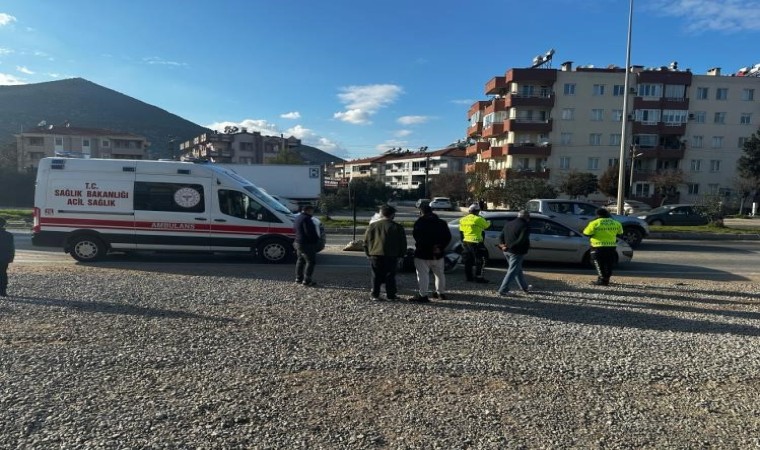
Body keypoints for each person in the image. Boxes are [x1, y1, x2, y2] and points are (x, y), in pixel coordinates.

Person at [363, 205, 407, 301]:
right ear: (392, 215)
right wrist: (401, 255)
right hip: (392, 255)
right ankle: (391, 295)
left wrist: (367, 253)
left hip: (375, 254)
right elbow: (402, 243)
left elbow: (366, 241)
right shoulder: (397, 227)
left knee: (376, 275)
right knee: (390, 275)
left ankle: (375, 294)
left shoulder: (373, 226)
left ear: (381, 214)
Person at [410, 204, 452, 303]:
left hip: (423, 254)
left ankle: (423, 295)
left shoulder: (419, 223)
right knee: (440, 274)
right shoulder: (442, 223)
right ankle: (440, 293)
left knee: (423, 275)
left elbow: (417, 237)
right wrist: (440, 247)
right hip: (438, 254)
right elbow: (448, 237)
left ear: (421, 212)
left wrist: (429, 247)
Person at [583, 208, 623, 286]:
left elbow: (586, 233)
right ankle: (606, 279)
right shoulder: (616, 223)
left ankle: (602, 280)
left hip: (597, 246)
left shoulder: (594, 223)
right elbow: (620, 233)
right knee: (608, 263)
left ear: (598, 215)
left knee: (598, 263)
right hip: (611, 247)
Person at [497, 210, 533, 297]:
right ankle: (503, 290)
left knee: (517, 269)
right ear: (527, 217)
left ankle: (524, 287)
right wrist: (509, 246)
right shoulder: (525, 226)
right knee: (512, 271)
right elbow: (521, 240)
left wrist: (503, 245)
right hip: (516, 252)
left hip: (506, 251)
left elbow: (501, 236)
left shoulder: (508, 223)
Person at [459, 203, 491, 283]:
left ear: (469, 211)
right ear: (477, 211)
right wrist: (489, 222)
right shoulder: (478, 219)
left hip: (466, 242)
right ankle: (478, 277)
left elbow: (461, 232)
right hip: (476, 242)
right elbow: (486, 226)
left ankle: (469, 277)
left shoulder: (463, 219)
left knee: (468, 260)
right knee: (480, 260)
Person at [293, 205, 320, 286]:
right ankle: (307, 280)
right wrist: (315, 240)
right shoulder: (307, 219)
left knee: (300, 260)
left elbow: (295, 229)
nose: (312, 213)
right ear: (308, 210)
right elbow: (309, 232)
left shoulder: (298, 218)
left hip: (298, 242)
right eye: (312, 211)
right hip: (306, 243)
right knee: (310, 261)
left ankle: (298, 278)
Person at [0, 218, 15, 297]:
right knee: (3, 273)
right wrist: (11, 257)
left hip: (4, 257)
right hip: (4, 258)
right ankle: (3, 291)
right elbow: (11, 247)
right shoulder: (9, 235)